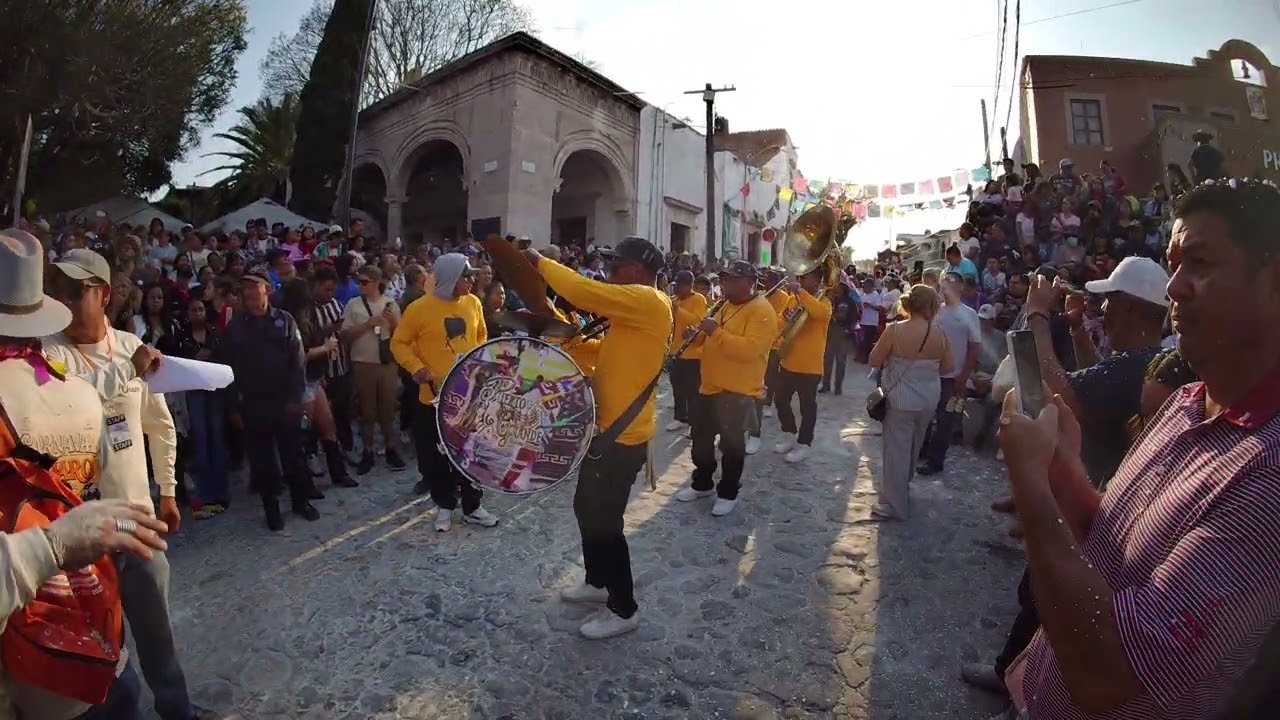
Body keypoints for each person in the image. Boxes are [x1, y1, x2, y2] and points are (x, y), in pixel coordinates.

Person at [994, 178, 1280, 720]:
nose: (1175, 288)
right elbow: (1113, 539)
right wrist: (1061, 471)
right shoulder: (1188, 401)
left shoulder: (1269, 473)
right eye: (1173, 265)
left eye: (1199, 262)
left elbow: (1108, 673)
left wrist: (1031, 484)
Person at [0, 227, 173, 720]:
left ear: (104, 293)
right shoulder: (49, 362)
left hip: (128, 520)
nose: (69, 299)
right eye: (59, 289)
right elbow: (80, 400)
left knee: (148, 634)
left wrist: (168, 488)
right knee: (91, 671)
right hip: (47, 562)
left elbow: (157, 424)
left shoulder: (128, 346)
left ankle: (173, 706)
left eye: (78, 289)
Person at [521, 237, 672, 640]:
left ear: (638, 270)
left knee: (605, 522)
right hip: (606, 433)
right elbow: (598, 352)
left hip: (623, 439)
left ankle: (623, 608)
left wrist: (541, 263)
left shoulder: (647, 300)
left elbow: (582, 291)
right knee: (586, 508)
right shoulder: (633, 312)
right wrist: (549, 319)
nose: (608, 271)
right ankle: (597, 582)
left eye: (615, 264)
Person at [390, 253, 499, 531]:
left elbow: (482, 337)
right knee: (436, 455)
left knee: (471, 454)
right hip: (434, 397)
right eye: (467, 276)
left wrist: (482, 364)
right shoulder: (419, 308)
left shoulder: (474, 303)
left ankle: (473, 506)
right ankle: (445, 505)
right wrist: (416, 367)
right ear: (451, 278)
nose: (472, 281)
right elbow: (399, 342)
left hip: (469, 397)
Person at [217, 269, 320, 531]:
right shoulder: (235, 327)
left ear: (268, 290)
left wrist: (296, 397)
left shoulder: (285, 321)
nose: (250, 293)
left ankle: (300, 501)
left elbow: (297, 361)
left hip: (285, 401)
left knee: (294, 456)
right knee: (263, 461)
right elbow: (228, 370)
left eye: (256, 287)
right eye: (246, 289)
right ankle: (271, 508)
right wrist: (233, 407)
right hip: (253, 404)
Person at [676, 261, 777, 516]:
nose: (726, 284)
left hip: (738, 390)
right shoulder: (723, 304)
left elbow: (749, 351)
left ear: (749, 283)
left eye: (732, 279)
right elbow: (709, 337)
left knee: (732, 447)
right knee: (700, 441)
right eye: (724, 279)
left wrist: (715, 332)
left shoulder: (762, 310)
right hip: (709, 386)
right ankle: (702, 484)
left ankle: (728, 492)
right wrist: (697, 334)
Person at [867, 285, 952, 520]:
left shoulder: (895, 330)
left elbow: (874, 359)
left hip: (901, 397)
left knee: (896, 451)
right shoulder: (940, 333)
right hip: (929, 398)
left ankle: (896, 505)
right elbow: (947, 368)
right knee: (915, 446)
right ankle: (902, 489)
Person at [341, 265, 406, 475]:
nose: (360, 285)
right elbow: (346, 336)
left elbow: (403, 336)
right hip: (363, 363)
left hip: (386, 363)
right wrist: (369, 324)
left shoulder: (391, 304)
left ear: (376, 283)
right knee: (366, 411)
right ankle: (367, 451)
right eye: (359, 281)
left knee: (388, 409)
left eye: (364, 282)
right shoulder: (353, 305)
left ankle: (390, 448)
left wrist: (393, 322)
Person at [918, 272, 980, 476]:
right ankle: (921, 452)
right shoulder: (934, 312)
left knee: (946, 420)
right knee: (925, 416)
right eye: (944, 282)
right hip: (930, 373)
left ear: (961, 287)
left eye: (952, 283)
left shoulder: (970, 314)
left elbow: (974, 347)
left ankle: (935, 460)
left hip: (954, 377)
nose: (947, 287)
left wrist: (964, 375)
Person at [772, 266, 833, 463]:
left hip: (810, 366)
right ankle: (789, 433)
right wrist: (785, 320)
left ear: (817, 279)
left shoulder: (825, 302)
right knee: (780, 400)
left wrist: (800, 292)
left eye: (807, 277)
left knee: (807, 407)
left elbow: (819, 314)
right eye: (801, 277)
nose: (802, 279)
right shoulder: (792, 300)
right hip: (788, 361)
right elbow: (780, 324)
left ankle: (804, 443)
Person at [666, 270, 707, 432]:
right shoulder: (674, 300)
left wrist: (678, 311)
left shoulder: (698, 299)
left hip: (692, 354)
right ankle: (680, 417)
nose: (677, 289)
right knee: (677, 388)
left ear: (690, 285)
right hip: (674, 351)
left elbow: (697, 321)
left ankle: (694, 423)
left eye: (681, 286)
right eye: (676, 285)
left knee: (693, 391)